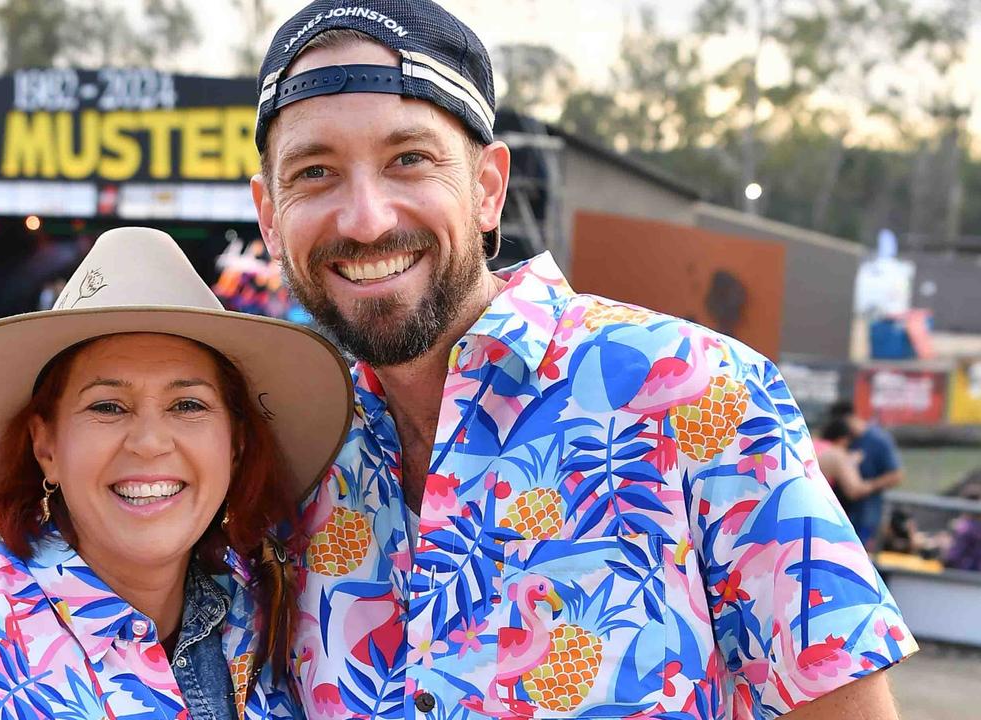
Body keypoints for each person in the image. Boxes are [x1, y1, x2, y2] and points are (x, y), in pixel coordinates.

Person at [248, 2, 913, 718]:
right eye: (314, 172)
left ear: (487, 189)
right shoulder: (292, 458)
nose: (366, 218)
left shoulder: (698, 391)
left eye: (409, 160)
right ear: (269, 218)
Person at [0, 228, 353, 719]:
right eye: (107, 407)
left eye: (188, 405)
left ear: (235, 445)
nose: (149, 443)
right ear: (46, 445)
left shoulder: (281, 626)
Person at [829, 400, 904, 548]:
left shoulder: (878, 440)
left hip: (866, 512)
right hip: (841, 510)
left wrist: (868, 486)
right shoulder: (844, 440)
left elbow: (896, 474)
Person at [813, 416, 896, 506]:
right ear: (843, 439)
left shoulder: (811, 444)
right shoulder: (837, 455)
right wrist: (882, 481)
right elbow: (854, 491)